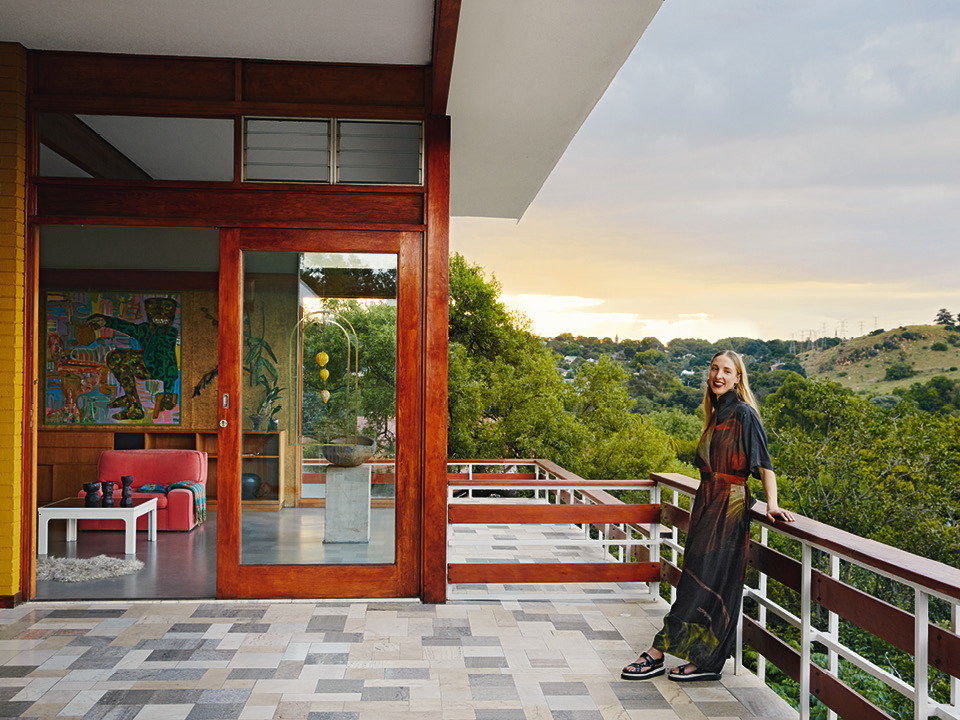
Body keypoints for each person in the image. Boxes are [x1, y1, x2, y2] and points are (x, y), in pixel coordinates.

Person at [622, 350, 794, 683]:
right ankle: (704, 661)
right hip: (707, 503)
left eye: (727, 371)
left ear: (738, 378)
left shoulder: (744, 413)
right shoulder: (716, 414)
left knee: (702, 581)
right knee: (699, 579)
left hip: (729, 507)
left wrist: (772, 504)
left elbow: (764, 465)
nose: (718, 375)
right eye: (715, 369)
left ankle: (659, 653)